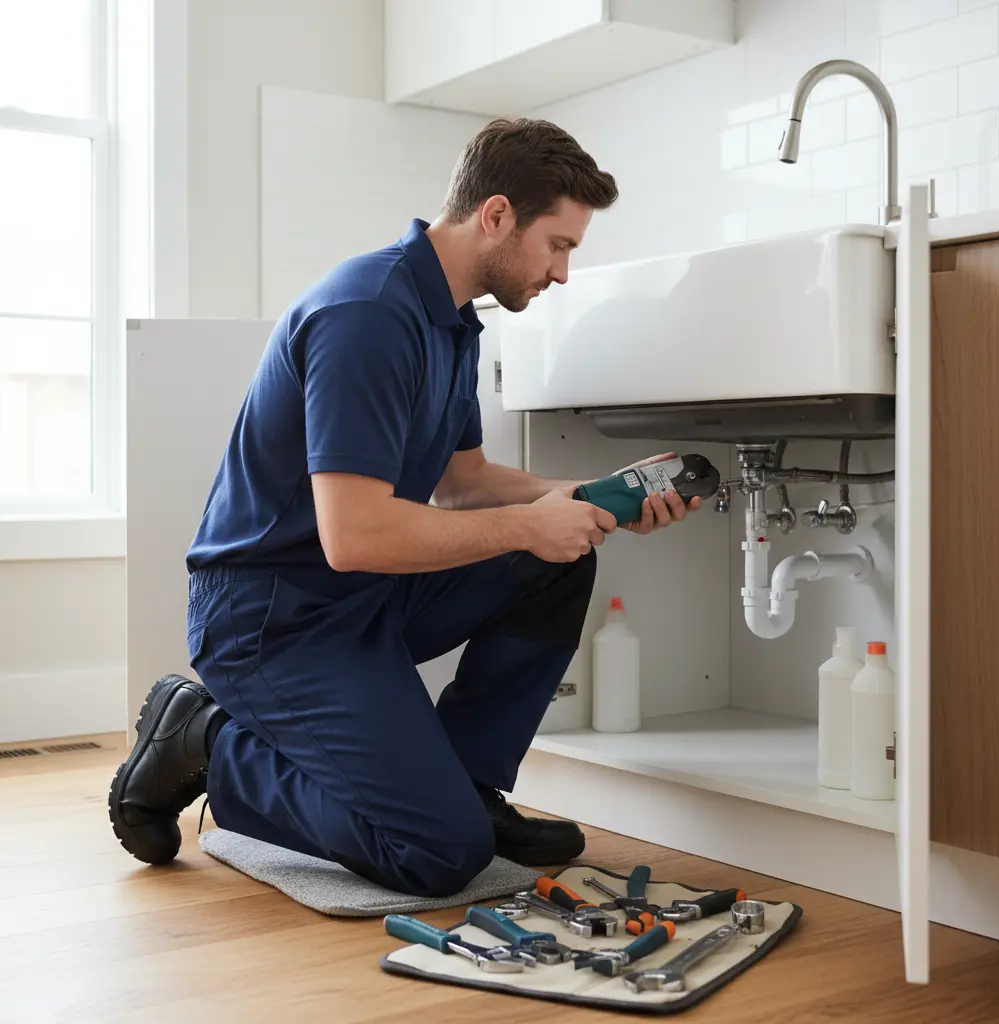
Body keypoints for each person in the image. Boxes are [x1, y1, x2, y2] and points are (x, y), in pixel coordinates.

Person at [108, 117, 699, 898]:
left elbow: (464, 482)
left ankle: (469, 787)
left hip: (361, 599)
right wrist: (532, 521)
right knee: (435, 853)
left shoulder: (453, 321)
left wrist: (587, 499)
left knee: (555, 556)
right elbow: (353, 536)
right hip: (271, 620)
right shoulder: (368, 316)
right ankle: (207, 738)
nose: (561, 273)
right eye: (558, 245)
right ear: (495, 216)